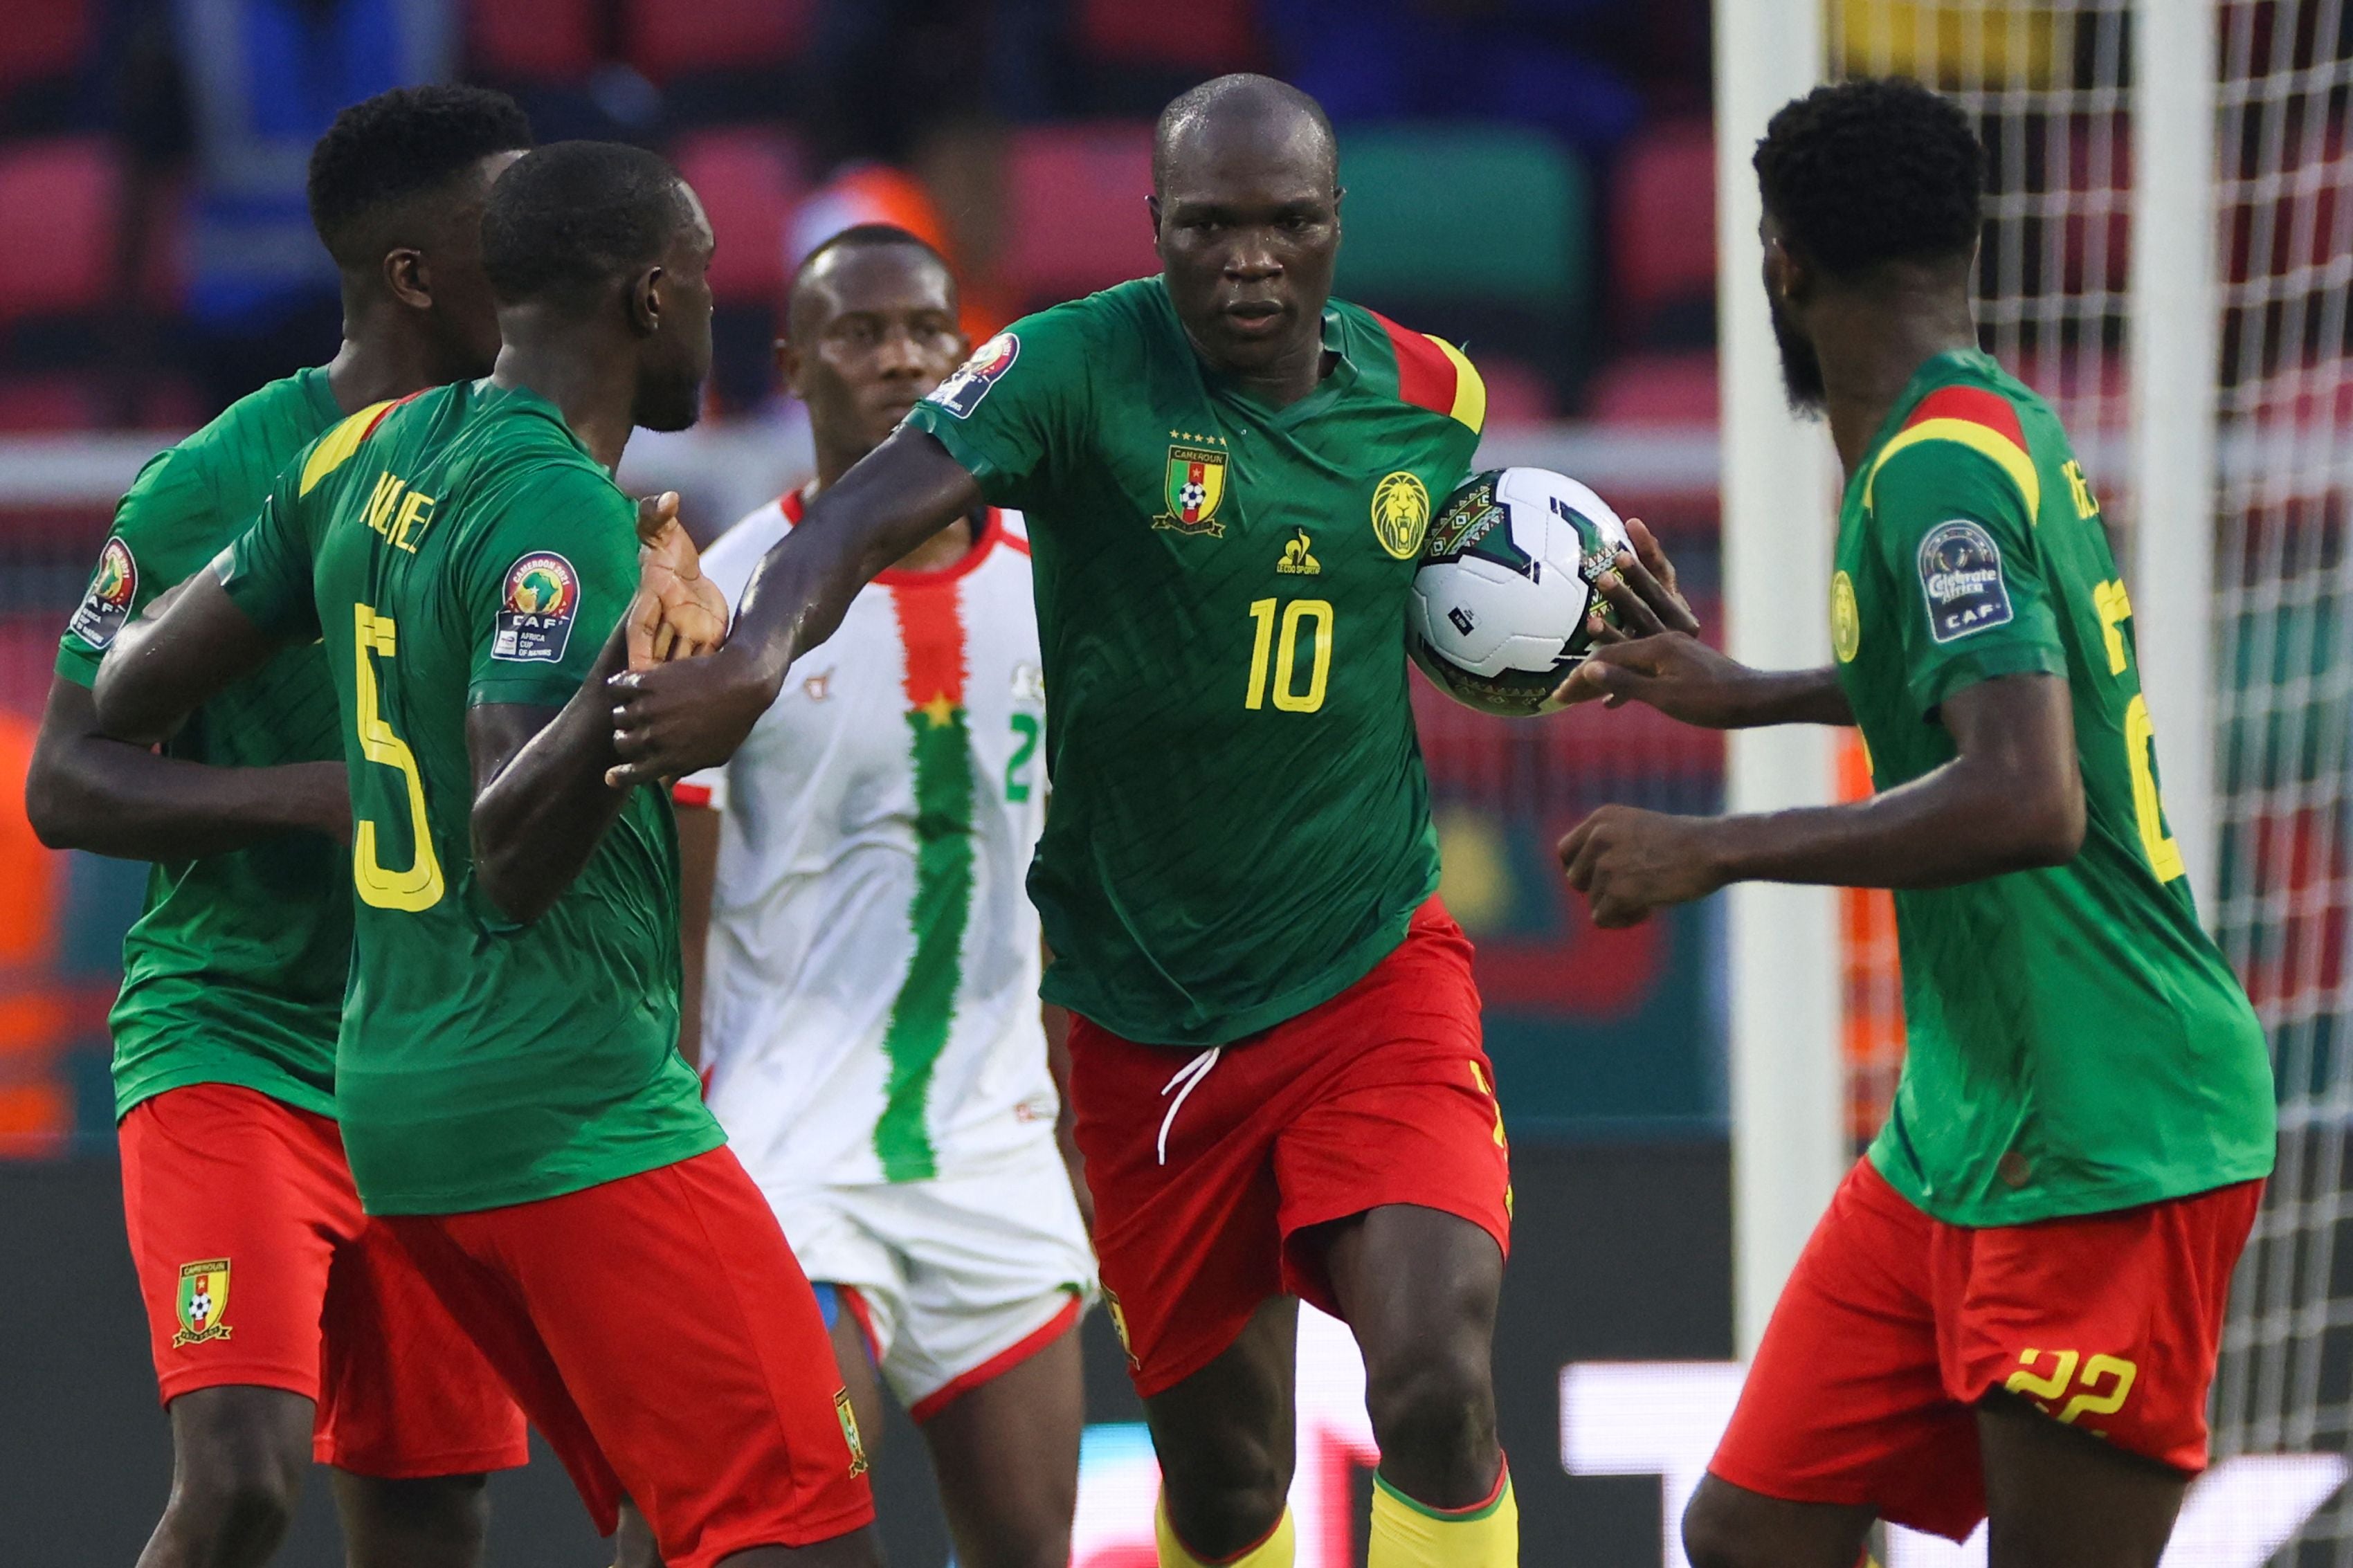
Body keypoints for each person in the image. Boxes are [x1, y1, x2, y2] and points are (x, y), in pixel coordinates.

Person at [607, 73, 1696, 1568]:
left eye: (1286, 224)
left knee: (1436, 1372)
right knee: (1233, 1482)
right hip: (1143, 1026)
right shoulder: (1068, 367)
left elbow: (1438, 607)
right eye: (1209, 227)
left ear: (1334, 225)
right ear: (1154, 228)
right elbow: (855, 517)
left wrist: (1574, 659)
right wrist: (748, 652)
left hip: (1367, 974)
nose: (1249, 258)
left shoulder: (1430, 397)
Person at [89, 140, 880, 1568]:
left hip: (395, 1098)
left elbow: (130, 684)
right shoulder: (560, 514)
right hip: (559, 1097)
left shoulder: (365, 451)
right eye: (702, 282)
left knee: (657, 1505)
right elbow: (509, 843)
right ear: (650, 297)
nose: (713, 312)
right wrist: (638, 688)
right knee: (799, 1520)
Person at [1550, 79, 2276, 1568]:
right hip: (1962, 1128)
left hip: (2105, 1131)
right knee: (1751, 1527)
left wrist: (1715, 847)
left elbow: (2023, 791)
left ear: (1780, 263)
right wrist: (1747, 692)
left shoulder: (1934, 472)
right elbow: (1985, 686)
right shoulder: (1982, 427)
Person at [24, 85, 534, 1568]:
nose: (538, 257)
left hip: (426, 1053)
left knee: (434, 1510)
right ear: (413, 274)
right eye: (501, 232)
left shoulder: (522, 470)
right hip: (236, 1039)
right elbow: (67, 778)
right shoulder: (215, 483)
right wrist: (313, 797)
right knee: (243, 1475)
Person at [673, 223, 1095, 1568]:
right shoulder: (729, 592)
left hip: (991, 1146)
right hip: (788, 1151)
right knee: (798, 1534)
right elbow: (673, 896)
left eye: (925, 329)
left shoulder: (1058, 585)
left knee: (1028, 1545)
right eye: (859, 332)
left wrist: (1085, 1125)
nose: (900, 356)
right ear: (794, 364)